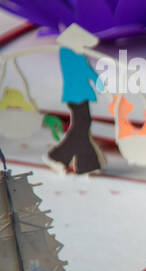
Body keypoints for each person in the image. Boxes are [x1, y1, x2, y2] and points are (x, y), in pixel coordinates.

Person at [45, 24, 107, 175]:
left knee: (82, 129)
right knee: (81, 127)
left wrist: (102, 87)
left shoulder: (73, 53)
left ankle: (88, 165)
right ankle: (56, 157)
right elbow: (87, 71)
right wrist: (101, 86)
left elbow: (88, 71)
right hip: (77, 96)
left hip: (79, 95)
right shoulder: (70, 53)